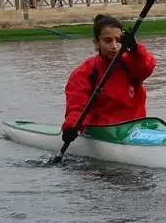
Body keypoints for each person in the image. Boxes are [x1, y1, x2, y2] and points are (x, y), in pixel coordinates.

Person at [60, 14, 157, 147]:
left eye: (118, 40)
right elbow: (78, 107)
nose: (114, 46)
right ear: (96, 42)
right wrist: (72, 126)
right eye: (107, 41)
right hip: (103, 134)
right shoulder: (84, 72)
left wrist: (135, 49)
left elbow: (146, 68)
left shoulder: (132, 62)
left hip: (137, 129)